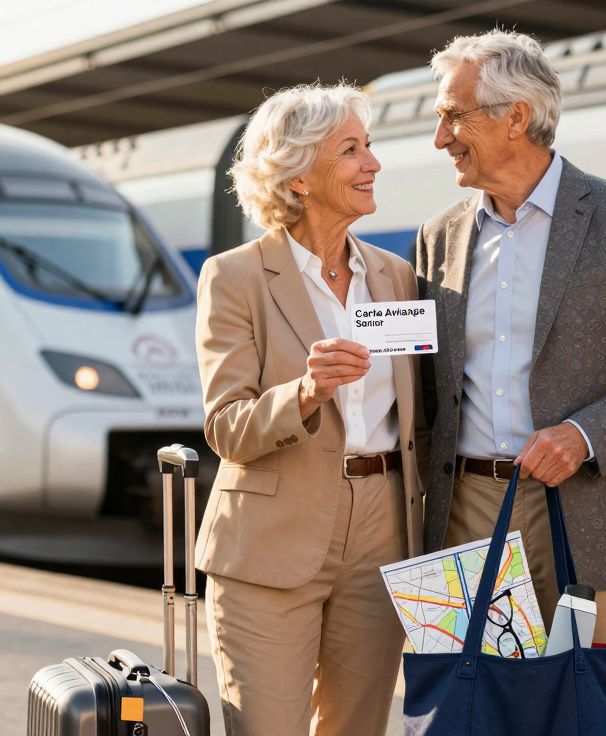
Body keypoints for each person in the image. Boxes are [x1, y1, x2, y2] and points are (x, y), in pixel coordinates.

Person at [414, 30, 606, 734]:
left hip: (592, 510)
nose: (439, 138)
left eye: (454, 116)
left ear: (516, 115)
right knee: (475, 711)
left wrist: (582, 435)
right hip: (469, 511)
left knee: (593, 712)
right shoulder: (439, 236)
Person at [193, 82, 424, 736]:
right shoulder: (235, 277)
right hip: (271, 538)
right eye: (350, 150)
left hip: (383, 532)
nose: (372, 163)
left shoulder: (396, 277)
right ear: (297, 178)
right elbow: (226, 428)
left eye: (369, 146)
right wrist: (305, 393)